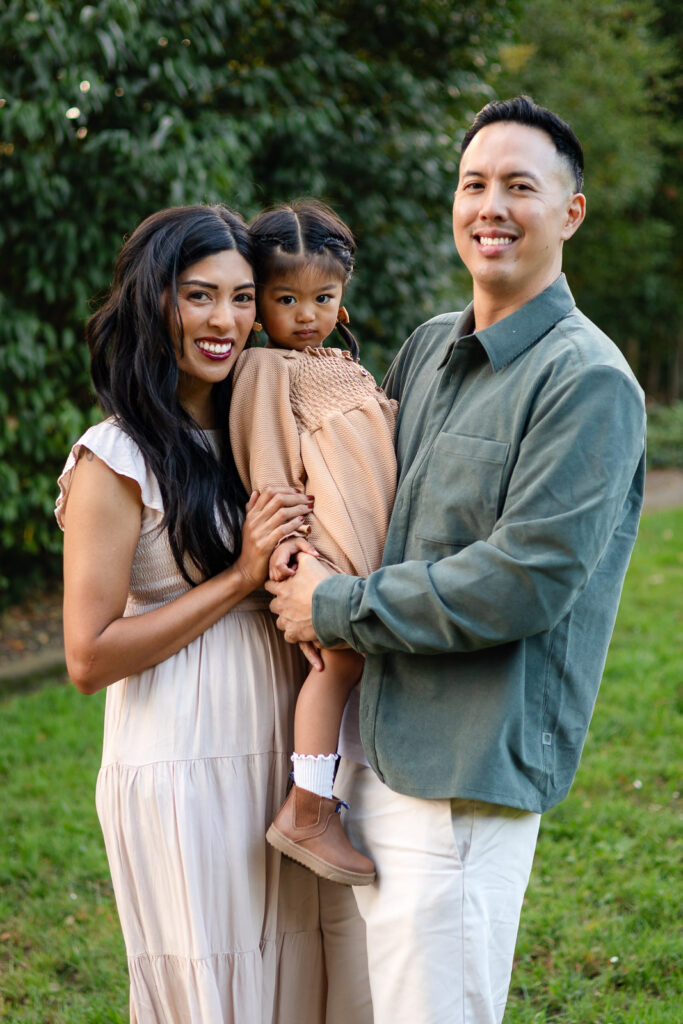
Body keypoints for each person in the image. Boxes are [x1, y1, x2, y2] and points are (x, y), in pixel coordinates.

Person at [264, 97, 647, 1024]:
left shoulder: (585, 379)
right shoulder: (430, 347)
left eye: (521, 186)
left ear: (571, 212)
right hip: (372, 744)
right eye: (474, 183)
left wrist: (337, 606)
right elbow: (368, 504)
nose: (491, 206)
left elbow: (524, 581)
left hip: (460, 773)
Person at [55, 204, 372, 1024]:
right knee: (218, 990)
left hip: (280, 749)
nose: (225, 321)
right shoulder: (114, 457)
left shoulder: (256, 430)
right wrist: (238, 577)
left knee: (302, 983)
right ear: (154, 301)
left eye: (241, 297)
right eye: (200, 296)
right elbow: (87, 659)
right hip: (183, 761)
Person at [229, 199, 397, 886]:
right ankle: (308, 808)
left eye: (322, 297)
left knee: (353, 665)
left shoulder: (338, 362)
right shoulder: (264, 370)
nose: (306, 314)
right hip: (325, 549)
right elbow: (266, 472)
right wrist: (290, 559)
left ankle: (338, 790)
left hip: (369, 548)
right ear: (259, 303)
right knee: (336, 668)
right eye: (286, 299)